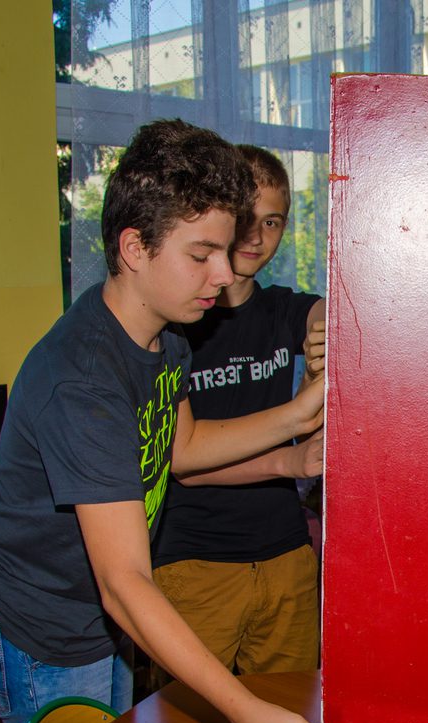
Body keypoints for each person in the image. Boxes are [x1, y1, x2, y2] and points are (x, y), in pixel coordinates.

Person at [0, 120, 337, 723]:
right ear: (134, 247)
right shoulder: (84, 380)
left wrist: (301, 412)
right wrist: (247, 711)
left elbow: (183, 446)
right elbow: (125, 584)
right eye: (202, 255)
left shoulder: (164, 334)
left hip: (95, 604)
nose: (224, 272)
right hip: (45, 613)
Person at [151, 146, 324, 675]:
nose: (255, 236)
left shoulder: (280, 309)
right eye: (245, 217)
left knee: (292, 712)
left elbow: (327, 309)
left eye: (272, 222)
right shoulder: (176, 323)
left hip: (286, 555)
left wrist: (325, 329)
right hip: (195, 561)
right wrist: (290, 460)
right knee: (186, 721)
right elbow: (186, 464)